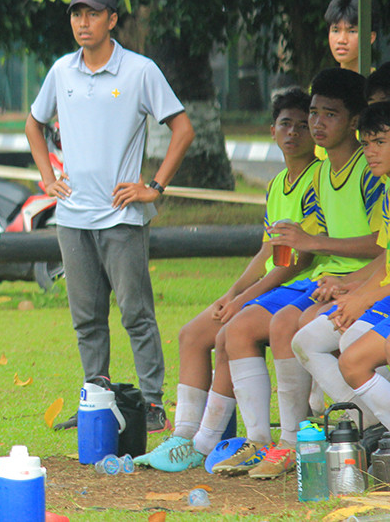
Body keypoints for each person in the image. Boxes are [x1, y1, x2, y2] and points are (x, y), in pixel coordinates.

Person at [25, 0, 195, 432]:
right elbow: (33, 123)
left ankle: (152, 404)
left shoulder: (139, 70)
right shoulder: (62, 71)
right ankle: (97, 404)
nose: (83, 22)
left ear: (112, 20)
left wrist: (154, 186)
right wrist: (48, 178)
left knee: (136, 314)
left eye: (93, 14)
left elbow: (183, 129)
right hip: (72, 216)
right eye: (77, 15)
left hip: (122, 215)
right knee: (86, 319)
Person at [136, 87, 319, 472]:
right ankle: (183, 436)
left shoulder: (316, 179)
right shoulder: (277, 184)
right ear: (272, 131)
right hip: (272, 287)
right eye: (286, 124)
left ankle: (217, 443)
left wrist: (243, 300)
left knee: (230, 333)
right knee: (192, 333)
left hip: (299, 287)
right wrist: (231, 293)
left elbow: (298, 261)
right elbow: (268, 252)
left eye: (303, 125)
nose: (294, 133)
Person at [213, 69, 383, 477]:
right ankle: (272, 442)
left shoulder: (369, 169)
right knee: (240, 329)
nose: (316, 124)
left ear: (355, 121)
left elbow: (380, 244)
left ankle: (346, 430)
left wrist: (316, 247)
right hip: (329, 278)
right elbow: (304, 244)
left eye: (330, 115)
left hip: (361, 279)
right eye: (313, 113)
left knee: (297, 324)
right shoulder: (321, 174)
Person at [292, 100, 390, 434]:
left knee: (353, 353)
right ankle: (371, 425)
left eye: (380, 142)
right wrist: (353, 290)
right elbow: (386, 260)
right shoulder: (388, 189)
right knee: (307, 341)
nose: (371, 152)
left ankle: (370, 427)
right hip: (383, 296)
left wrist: (364, 299)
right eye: (366, 144)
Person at [326, 0, 377, 74]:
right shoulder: (323, 85)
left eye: (352, 31)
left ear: (371, 37)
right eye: (335, 31)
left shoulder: (381, 85)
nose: (341, 40)